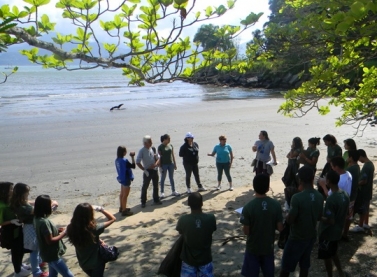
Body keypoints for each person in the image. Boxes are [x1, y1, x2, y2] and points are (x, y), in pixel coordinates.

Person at [280, 166, 324, 277]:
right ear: (312, 178)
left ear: (299, 180)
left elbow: (290, 220)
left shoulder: (297, 198)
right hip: (310, 236)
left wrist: (286, 214)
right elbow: (319, 217)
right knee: (304, 265)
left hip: (296, 237)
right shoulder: (319, 196)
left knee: (286, 267)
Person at [240, 174, 283, 277]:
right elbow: (280, 228)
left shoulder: (248, 207)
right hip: (268, 247)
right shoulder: (275, 205)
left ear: (254, 187)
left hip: (253, 247)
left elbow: (246, 232)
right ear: (268, 188)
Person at [10, 183, 50, 277]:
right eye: (27, 192)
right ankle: (36, 272)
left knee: (37, 247)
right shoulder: (22, 207)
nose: (28, 194)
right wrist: (51, 206)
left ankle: (39, 263)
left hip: (32, 227)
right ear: (22, 193)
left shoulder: (21, 202)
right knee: (34, 250)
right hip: (30, 228)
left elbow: (30, 203)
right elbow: (36, 211)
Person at [66, 203, 116, 277]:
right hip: (96, 263)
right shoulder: (94, 228)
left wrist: (98, 240)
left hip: (83, 263)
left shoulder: (70, 228)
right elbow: (112, 219)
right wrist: (100, 209)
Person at [317, 170, 350, 277]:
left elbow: (330, 220)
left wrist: (319, 217)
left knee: (327, 257)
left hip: (328, 233)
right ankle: (340, 271)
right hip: (338, 230)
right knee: (333, 252)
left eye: (326, 178)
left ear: (329, 181)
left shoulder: (331, 199)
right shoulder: (344, 194)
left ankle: (330, 275)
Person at [176, 192, 216, 276]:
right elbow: (212, 229)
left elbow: (180, 232)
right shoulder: (210, 218)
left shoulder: (183, 219)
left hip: (188, 259)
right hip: (205, 258)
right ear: (202, 203)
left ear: (188, 204)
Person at [33, 195, 74, 277]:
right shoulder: (44, 222)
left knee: (53, 274)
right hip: (53, 255)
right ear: (45, 207)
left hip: (47, 254)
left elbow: (45, 234)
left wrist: (56, 231)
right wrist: (65, 232)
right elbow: (50, 241)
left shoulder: (36, 218)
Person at [0, 182, 31, 277]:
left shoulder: (9, 201)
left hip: (17, 227)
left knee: (20, 248)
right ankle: (18, 271)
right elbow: (1, 222)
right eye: (10, 189)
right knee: (16, 250)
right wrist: (11, 221)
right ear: (4, 191)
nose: (12, 191)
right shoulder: (1, 205)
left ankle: (20, 265)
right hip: (10, 230)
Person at [351, 149, 375, 232]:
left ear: (361, 156)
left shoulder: (366, 166)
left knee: (362, 209)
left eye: (358, 158)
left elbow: (364, 180)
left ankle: (360, 225)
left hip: (364, 191)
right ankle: (366, 223)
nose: (358, 160)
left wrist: (356, 184)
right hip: (369, 190)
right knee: (366, 208)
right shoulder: (371, 164)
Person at [136, 135, 162, 208]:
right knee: (145, 186)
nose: (151, 143)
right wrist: (144, 169)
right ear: (145, 143)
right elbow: (137, 162)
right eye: (149, 142)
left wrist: (155, 164)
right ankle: (143, 201)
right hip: (147, 171)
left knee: (156, 185)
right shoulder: (142, 151)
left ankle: (156, 199)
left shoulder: (152, 148)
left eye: (151, 141)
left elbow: (158, 158)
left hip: (154, 170)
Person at [343, 150, 360, 240]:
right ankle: (345, 233)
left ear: (351, 158)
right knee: (349, 214)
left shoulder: (350, 169)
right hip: (353, 194)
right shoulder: (357, 167)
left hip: (349, 195)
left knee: (347, 215)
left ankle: (344, 234)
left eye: (348, 157)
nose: (346, 158)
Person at [115, 145, 135, 216]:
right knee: (125, 195)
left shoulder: (117, 160)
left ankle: (121, 207)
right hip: (126, 178)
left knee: (122, 194)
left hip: (121, 178)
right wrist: (132, 157)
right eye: (125, 151)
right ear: (123, 152)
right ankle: (124, 210)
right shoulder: (124, 160)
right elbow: (133, 166)